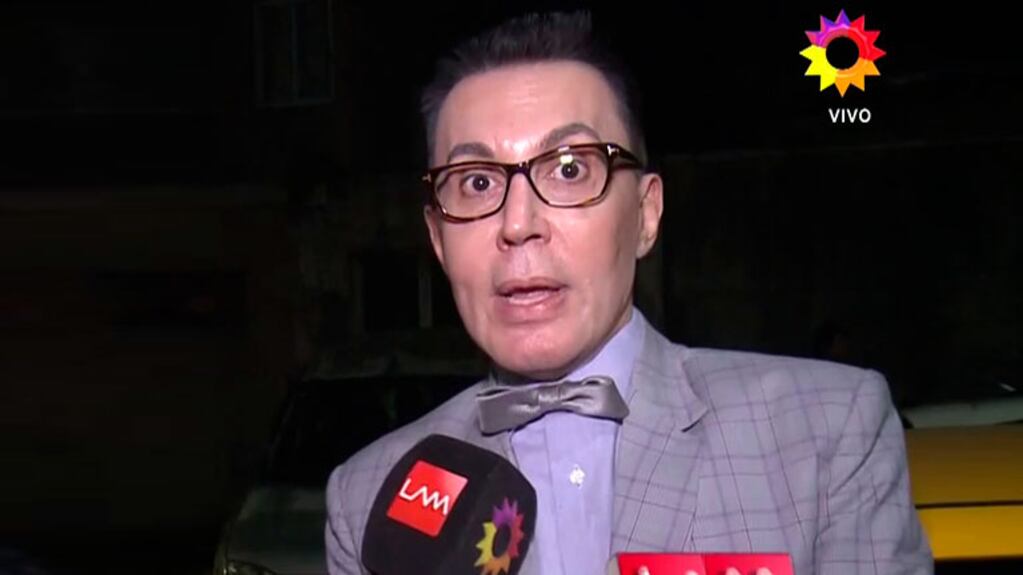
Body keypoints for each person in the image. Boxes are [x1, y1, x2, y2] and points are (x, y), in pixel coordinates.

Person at [325, 11, 932, 574]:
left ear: (646, 214)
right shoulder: (368, 499)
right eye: (476, 182)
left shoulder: (825, 433)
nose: (518, 224)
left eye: (569, 169)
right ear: (437, 238)